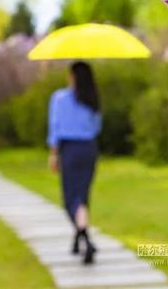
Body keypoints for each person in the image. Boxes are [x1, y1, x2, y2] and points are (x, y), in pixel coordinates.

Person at [47, 61, 102, 264]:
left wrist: (53, 154)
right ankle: (79, 239)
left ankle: (84, 238)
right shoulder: (92, 99)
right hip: (89, 149)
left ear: (72, 77)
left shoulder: (59, 98)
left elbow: (55, 128)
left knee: (72, 198)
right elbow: (97, 127)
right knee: (82, 195)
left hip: (69, 150)